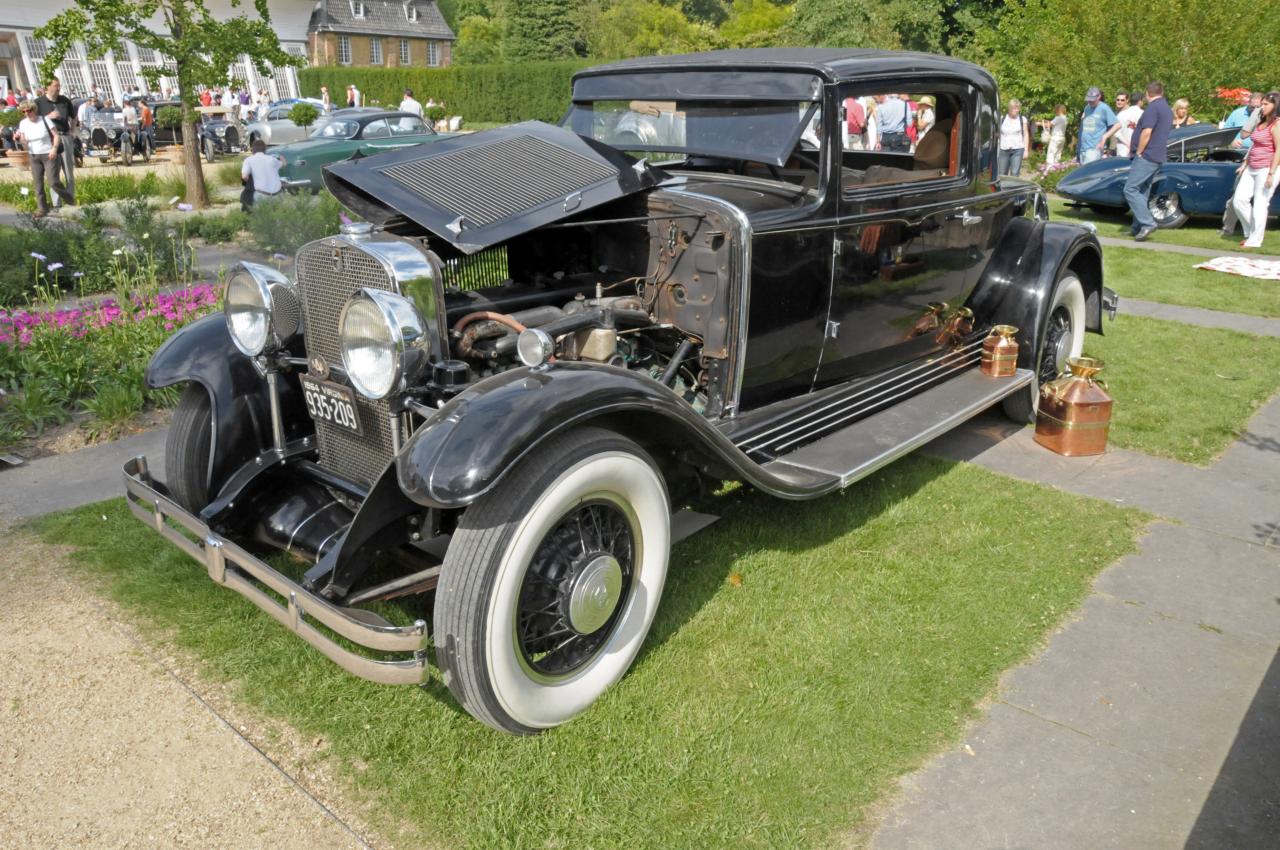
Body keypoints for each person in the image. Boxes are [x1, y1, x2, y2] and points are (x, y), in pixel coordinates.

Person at [1123, 81, 1174, 241]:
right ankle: (1137, 227)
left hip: (1147, 155)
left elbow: (1147, 132)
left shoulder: (1153, 107)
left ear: (1147, 93)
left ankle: (1147, 223)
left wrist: (1139, 151)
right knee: (1142, 192)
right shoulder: (1166, 108)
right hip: (1157, 155)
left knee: (1130, 189)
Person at [1231, 91, 1280, 249]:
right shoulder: (1260, 122)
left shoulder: (1277, 124)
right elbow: (1254, 144)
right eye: (1262, 104)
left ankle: (1255, 240)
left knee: (1260, 203)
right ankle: (1250, 231)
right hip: (1252, 166)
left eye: (1266, 104)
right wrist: (1245, 163)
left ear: (1275, 106)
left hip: (1267, 168)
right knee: (1239, 200)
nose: (1262, 107)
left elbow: (1279, 149)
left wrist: (1272, 173)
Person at [14, 101, 72, 217]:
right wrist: (19, 138)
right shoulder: (23, 123)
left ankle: (70, 201)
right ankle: (42, 209)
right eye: (24, 111)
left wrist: (54, 149)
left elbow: (56, 135)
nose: (27, 113)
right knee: (38, 184)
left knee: (53, 182)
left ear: (34, 110)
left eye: (29, 110)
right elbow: (25, 142)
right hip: (34, 156)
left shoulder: (44, 120)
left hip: (49, 154)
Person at [36, 76, 76, 207]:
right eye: (55, 86)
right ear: (47, 87)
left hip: (65, 136)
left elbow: (73, 116)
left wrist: (72, 130)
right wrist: (49, 116)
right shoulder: (38, 102)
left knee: (69, 171)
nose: (58, 88)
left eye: (59, 85)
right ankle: (56, 204)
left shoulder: (64, 100)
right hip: (50, 140)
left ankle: (71, 202)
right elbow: (34, 121)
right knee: (53, 173)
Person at [240, 139, 284, 207]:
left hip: (262, 194)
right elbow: (283, 164)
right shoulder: (272, 159)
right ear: (265, 149)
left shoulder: (248, 160)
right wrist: (282, 157)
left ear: (252, 149)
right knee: (279, 217)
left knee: (261, 217)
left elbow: (244, 176)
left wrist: (248, 182)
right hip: (277, 194)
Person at [1078, 86, 1117, 164]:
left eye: (1092, 100)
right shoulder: (1087, 107)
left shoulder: (1104, 108)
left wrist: (1105, 136)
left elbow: (1117, 124)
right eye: (1088, 99)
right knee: (1083, 175)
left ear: (1098, 97)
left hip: (1094, 148)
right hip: (1083, 148)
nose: (1090, 101)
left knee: (1089, 174)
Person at [1104, 91, 1144, 158]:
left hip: (1122, 148)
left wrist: (1127, 143)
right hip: (1138, 149)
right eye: (1118, 100)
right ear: (1140, 101)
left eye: (1122, 100)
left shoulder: (1121, 114)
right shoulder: (1143, 113)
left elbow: (1117, 133)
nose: (1119, 102)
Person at [997, 99, 1031, 176]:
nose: (1016, 110)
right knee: (1002, 174)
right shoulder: (1002, 118)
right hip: (1003, 149)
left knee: (1015, 173)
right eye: (1014, 108)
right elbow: (997, 133)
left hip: (1018, 150)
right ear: (1009, 108)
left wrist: (1026, 150)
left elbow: (1026, 135)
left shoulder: (1022, 119)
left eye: (1018, 108)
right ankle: (1002, 188)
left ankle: (1012, 188)